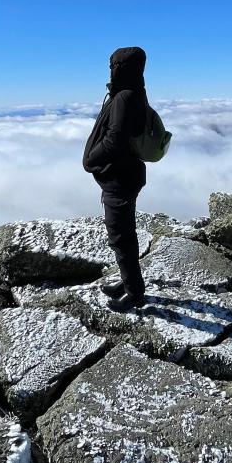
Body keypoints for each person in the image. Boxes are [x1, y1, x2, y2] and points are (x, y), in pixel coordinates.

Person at [82, 46, 149, 311]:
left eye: (114, 65)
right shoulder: (134, 93)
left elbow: (115, 140)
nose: (111, 69)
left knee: (121, 236)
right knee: (123, 234)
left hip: (119, 179)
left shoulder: (124, 97)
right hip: (124, 176)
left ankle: (134, 293)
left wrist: (90, 159)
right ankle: (129, 281)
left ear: (122, 68)